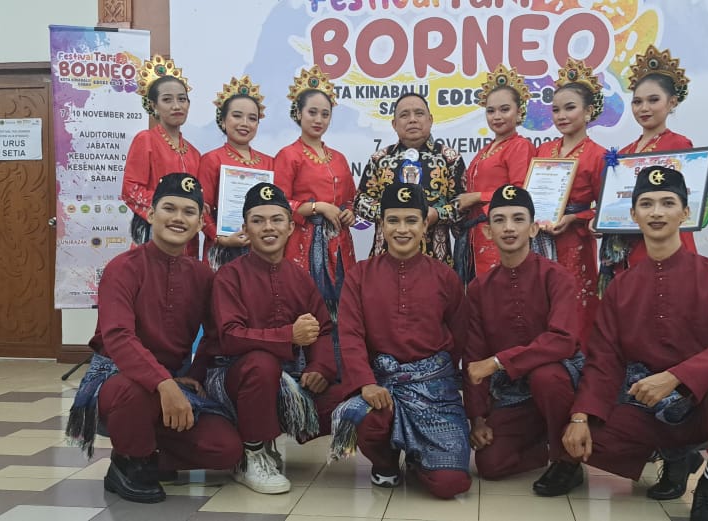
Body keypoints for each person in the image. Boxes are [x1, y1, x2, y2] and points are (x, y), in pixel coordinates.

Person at [562, 166, 708, 521]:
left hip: (703, 404)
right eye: (647, 204)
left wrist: (676, 377)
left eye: (668, 203)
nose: (657, 212)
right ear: (633, 214)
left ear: (685, 213)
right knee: (583, 442)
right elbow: (604, 359)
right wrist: (580, 416)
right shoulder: (621, 287)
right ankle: (676, 456)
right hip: (645, 408)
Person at [65, 173, 241, 504]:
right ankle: (129, 462)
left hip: (173, 380)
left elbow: (214, 335)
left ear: (200, 222)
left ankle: (149, 451)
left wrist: (193, 374)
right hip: (119, 377)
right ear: (150, 213)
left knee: (225, 449)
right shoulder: (122, 268)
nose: (178, 218)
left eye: (189, 212)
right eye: (169, 208)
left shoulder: (202, 274)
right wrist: (164, 383)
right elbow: (118, 337)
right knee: (135, 392)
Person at [332, 182, 472, 499]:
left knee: (451, 484)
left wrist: (437, 376)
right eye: (393, 220)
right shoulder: (360, 275)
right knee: (369, 416)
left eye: (411, 220)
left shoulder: (445, 277)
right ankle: (385, 462)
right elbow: (350, 336)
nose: (402, 229)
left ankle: (419, 457)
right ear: (381, 225)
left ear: (425, 226)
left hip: (434, 392)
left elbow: (460, 336)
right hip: (382, 385)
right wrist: (366, 383)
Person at [203, 182, 344, 495]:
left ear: (291, 227)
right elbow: (229, 337)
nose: (268, 227)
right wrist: (288, 336)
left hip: (286, 381)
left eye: (277, 219)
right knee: (261, 363)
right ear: (245, 229)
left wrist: (320, 367)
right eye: (258, 220)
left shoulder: (300, 277)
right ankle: (252, 455)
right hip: (233, 378)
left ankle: (269, 435)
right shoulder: (229, 276)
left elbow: (323, 328)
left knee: (349, 392)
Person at [463, 184, 586, 496]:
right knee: (491, 465)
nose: (509, 228)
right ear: (487, 232)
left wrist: (498, 362)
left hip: (559, 386)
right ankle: (544, 440)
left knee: (545, 375)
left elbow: (563, 341)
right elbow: (474, 356)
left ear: (533, 228)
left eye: (518, 219)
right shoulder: (479, 289)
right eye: (499, 220)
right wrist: (477, 418)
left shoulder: (557, 277)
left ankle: (568, 461)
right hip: (513, 393)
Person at [597, 46, 699, 295]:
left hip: (663, 241)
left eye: (653, 100)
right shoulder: (625, 152)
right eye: (637, 102)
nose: (644, 108)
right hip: (628, 246)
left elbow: (684, 200)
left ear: (672, 102)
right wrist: (601, 220)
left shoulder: (678, 145)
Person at [533, 58, 609, 341]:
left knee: (576, 300)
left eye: (570, 108)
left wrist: (575, 218)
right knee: (542, 298)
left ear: (588, 111)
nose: (561, 116)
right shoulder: (543, 150)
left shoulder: (598, 155)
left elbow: (605, 209)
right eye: (556, 110)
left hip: (575, 240)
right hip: (541, 236)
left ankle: (579, 357)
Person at [274, 66, 357, 321]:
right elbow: (279, 205)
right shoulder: (289, 155)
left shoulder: (339, 158)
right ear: (298, 113)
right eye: (312, 112)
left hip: (339, 242)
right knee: (307, 304)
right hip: (305, 241)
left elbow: (351, 199)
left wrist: (349, 213)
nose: (318, 119)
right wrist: (318, 207)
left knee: (342, 307)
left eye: (325, 114)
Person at [354, 93, 465, 268]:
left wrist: (438, 214)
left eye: (419, 113)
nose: (412, 119)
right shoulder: (379, 159)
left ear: (430, 120)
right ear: (394, 124)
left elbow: (463, 204)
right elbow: (360, 201)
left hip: (436, 260)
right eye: (404, 115)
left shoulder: (450, 159)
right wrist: (389, 214)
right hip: (385, 257)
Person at [454, 65, 537, 281]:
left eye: (504, 109)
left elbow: (520, 192)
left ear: (519, 112)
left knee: (501, 287)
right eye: (491, 111)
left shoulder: (520, 146)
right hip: (477, 233)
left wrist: (477, 197)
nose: (497, 116)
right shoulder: (486, 150)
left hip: (501, 233)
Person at [122, 55, 201, 246]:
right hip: (153, 231)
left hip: (186, 235)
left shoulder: (194, 153)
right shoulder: (146, 140)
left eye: (182, 99)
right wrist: (171, 209)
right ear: (153, 105)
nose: (176, 106)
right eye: (167, 100)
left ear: (188, 104)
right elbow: (131, 189)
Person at [197, 75, 274, 269]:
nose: (245, 123)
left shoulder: (269, 162)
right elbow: (201, 209)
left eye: (252, 118)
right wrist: (219, 237)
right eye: (237, 116)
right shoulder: (211, 159)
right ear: (223, 120)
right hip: (222, 249)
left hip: (260, 247)